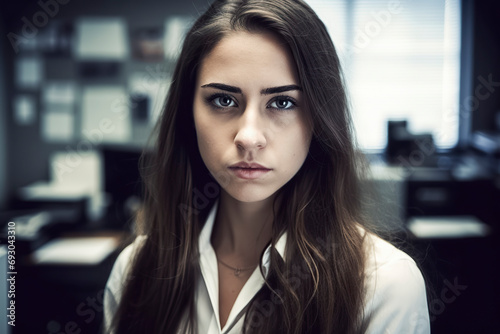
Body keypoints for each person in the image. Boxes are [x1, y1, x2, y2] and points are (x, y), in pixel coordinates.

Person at [103, 0, 430, 333]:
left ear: (319, 119)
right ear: (188, 114)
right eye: (223, 100)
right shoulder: (133, 271)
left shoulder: (385, 286)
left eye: (282, 102)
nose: (248, 137)